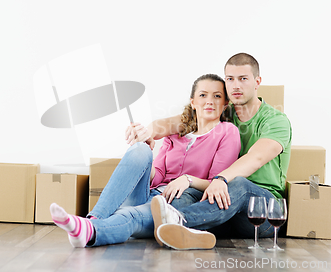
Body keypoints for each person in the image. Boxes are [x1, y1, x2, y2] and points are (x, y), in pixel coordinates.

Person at [50, 73, 240, 247]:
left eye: (217, 96)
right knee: (141, 149)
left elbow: (217, 184)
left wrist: (187, 179)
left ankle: (89, 232)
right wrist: (146, 160)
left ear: (224, 104)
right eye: (203, 95)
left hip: (173, 203)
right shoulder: (177, 134)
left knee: (129, 216)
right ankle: (94, 218)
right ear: (193, 102)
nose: (209, 101)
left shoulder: (227, 132)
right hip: (149, 192)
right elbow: (156, 177)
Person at [126, 53, 292, 250]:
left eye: (243, 79)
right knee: (182, 194)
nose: (236, 86)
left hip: (261, 212)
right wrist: (147, 132)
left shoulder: (275, 120)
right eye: (230, 79)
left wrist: (220, 179)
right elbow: (173, 123)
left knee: (240, 184)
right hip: (220, 206)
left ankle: (176, 223)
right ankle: (188, 234)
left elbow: (255, 158)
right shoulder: (221, 113)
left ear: (257, 82)